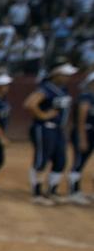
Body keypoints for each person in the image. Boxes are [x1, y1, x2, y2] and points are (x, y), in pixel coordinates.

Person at [23, 62, 78, 206]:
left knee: (60, 160)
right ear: (56, 74)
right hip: (45, 128)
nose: (68, 78)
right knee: (41, 160)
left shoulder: (63, 89)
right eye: (65, 75)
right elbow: (30, 103)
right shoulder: (46, 88)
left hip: (58, 129)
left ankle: (52, 190)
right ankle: (37, 192)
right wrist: (43, 115)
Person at [68, 71, 94, 205]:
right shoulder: (86, 97)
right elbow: (81, 120)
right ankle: (73, 192)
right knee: (79, 162)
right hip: (85, 132)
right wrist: (82, 137)